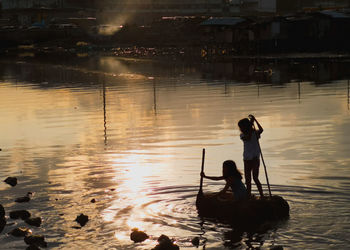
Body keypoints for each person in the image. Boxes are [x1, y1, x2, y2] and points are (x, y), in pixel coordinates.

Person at [238, 114, 264, 198]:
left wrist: (255, 120)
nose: (240, 129)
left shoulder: (255, 133)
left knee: (255, 178)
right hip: (247, 159)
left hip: (255, 159)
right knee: (248, 180)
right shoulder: (242, 135)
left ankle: (262, 195)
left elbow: (261, 129)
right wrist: (251, 124)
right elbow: (248, 138)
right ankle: (248, 196)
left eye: (241, 127)